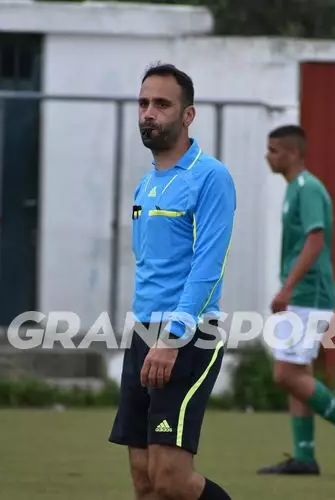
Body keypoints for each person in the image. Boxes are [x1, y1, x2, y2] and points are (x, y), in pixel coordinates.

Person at [108, 63, 236, 500]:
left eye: (162, 104)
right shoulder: (146, 184)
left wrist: (172, 336)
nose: (149, 112)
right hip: (143, 333)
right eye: (143, 103)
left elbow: (208, 265)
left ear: (188, 115)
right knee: (144, 480)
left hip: (188, 335)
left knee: (171, 478)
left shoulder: (211, 177)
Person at [256, 125, 335, 476]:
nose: (268, 156)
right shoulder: (295, 188)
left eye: (274, 150)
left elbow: (315, 240)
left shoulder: (308, 188)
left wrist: (287, 288)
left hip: (309, 293)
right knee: (298, 372)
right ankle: (304, 457)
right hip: (302, 293)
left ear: (293, 153)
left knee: (285, 374)